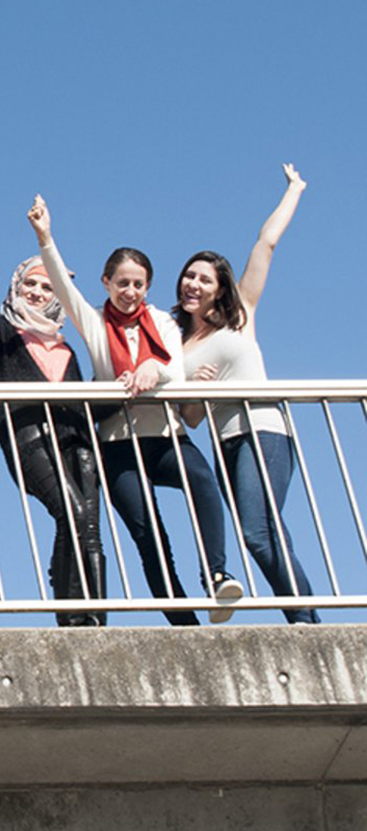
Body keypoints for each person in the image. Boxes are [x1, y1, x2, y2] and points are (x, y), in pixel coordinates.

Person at [26, 195, 243, 625]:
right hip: (117, 445)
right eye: (122, 283)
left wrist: (150, 370)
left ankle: (216, 574)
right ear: (106, 282)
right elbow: (63, 288)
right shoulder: (93, 322)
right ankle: (185, 624)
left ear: (148, 287)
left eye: (138, 284)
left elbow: (173, 371)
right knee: (150, 538)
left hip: (164, 438)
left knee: (202, 480)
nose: (130, 292)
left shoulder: (162, 322)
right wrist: (45, 236)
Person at [176, 163, 319, 624]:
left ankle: (307, 624)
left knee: (260, 534)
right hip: (225, 443)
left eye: (204, 279)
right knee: (266, 535)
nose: (193, 284)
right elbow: (193, 417)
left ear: (220, 290)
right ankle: (305, 619)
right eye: (188, 276)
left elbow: (267, 242)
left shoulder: (239, 319)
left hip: (263, 431)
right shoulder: (176, 346)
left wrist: (294, 189)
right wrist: (195, 390)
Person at [0, 254, 106, 626]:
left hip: (77, 441)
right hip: (27, 436)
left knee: (90, 528)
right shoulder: (2, 331)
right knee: (73, 512)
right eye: (30, 284)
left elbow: (83, 403)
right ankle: (70, 614)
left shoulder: (66, 346)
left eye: (47, 287)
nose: (36, 292)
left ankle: (95, 621)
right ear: (17, 286)